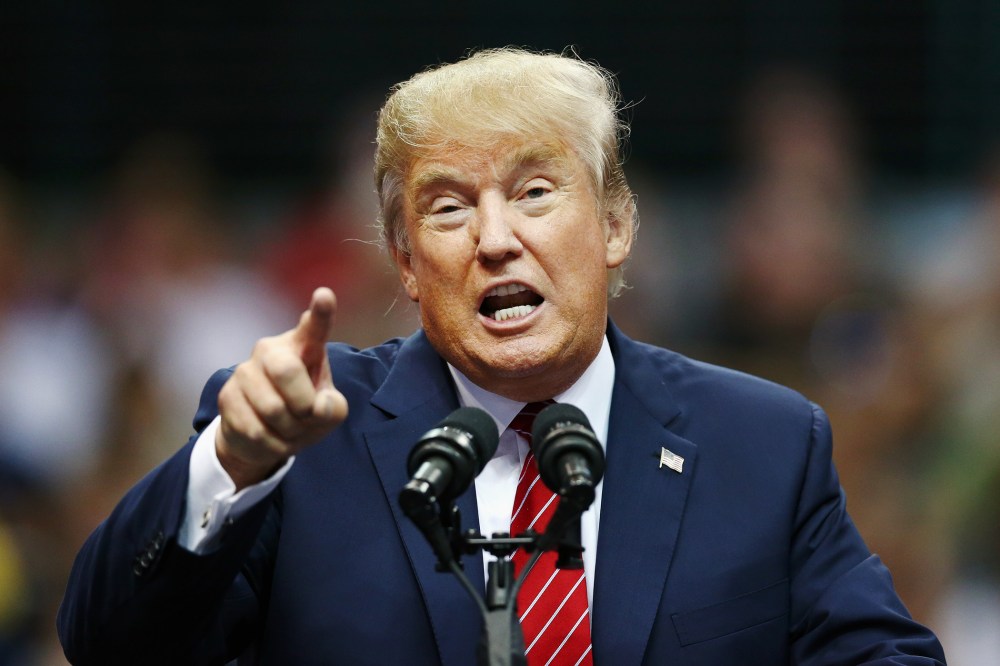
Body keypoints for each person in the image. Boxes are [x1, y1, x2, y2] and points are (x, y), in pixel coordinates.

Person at [57, 47, 946, 665]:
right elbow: (108, 645)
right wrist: (231, 463)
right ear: (405, 261)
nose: (495, 239)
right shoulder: (298, 438)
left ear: (615, 224)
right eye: (447, 209)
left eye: (533, 192)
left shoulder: (762, 444)